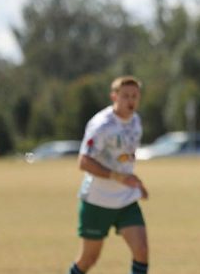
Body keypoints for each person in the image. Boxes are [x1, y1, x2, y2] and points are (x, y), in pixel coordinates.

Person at [68, 76, 149, 274]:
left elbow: (125, 158)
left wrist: (135, 181)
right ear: (114, 96)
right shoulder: (101, 125)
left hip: (126, 199)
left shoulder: (136, 121)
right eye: (125, 96)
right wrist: (118, 177)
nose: (131, 101)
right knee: (88, 260)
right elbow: (84, 162)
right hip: (98, 199)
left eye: (134, 96)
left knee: (142, 252)